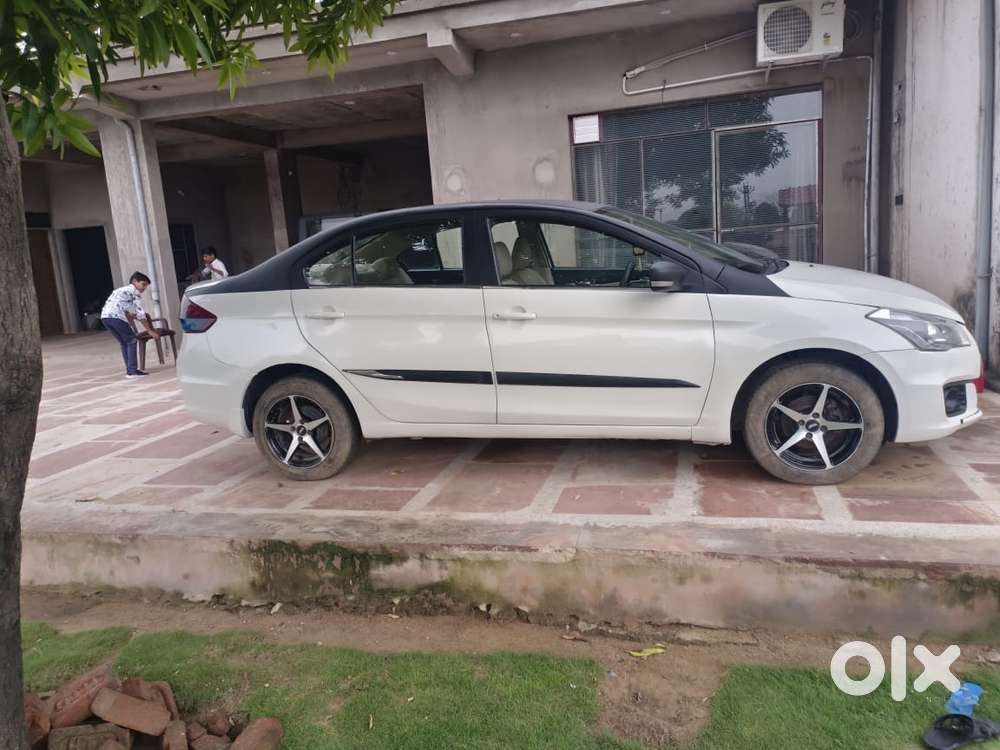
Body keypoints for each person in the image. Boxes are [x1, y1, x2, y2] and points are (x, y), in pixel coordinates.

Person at [100, 272, 160, 379]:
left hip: (105, 317)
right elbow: (141, 315)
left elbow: (118, 305)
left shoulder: (119, 290)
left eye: (146, 286)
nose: (144, 288)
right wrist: (150, 330)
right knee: (132, 340)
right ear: (134, 282)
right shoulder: (135, 293)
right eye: (143, 284)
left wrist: (129, 315)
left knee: (124, 343)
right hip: (116, 317)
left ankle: (130, 370)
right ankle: (132, 371)